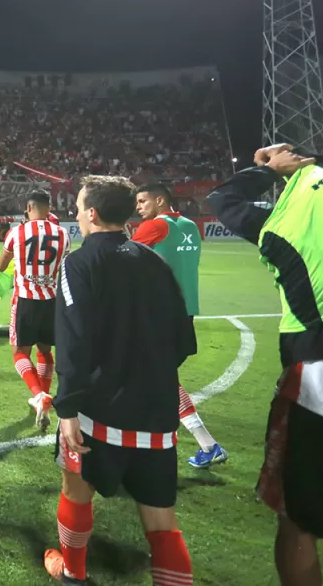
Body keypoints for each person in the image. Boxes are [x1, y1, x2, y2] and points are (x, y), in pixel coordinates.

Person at [207, 143, 323, 585]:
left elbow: (222, 200)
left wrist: (267, 172)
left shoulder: (282, 218)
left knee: (297, 519)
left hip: (322, 374)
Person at [44, 175, 196, 586]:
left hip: (99, 411)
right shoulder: (154, 261)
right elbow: (183, 340)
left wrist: (68, 407)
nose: (76, 212)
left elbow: (72, 341)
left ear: (91, 214)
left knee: (76, 490)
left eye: (78, 206)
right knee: (161, 520)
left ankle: (73, 572)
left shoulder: (79, 263)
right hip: (157, 412)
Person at [133, 184, 228, 469]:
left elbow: (122, 259)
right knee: (157, 377)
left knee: (151, 378)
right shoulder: (190, 226)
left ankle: (203, 444)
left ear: (160, 200)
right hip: (186, 313)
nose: (138, 207)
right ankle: (195, 442)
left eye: (142, 201)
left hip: (160, 315)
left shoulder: (154, 227)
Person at [0, 190, 71, 431]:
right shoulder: (63, 233)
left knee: (20, 353)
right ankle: (43, 396)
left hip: (25, 299)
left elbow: (1, 265)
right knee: (45, 352)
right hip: (51, 300)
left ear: (28, 207)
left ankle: (39, 396)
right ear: (50, 207)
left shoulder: (17, 232)